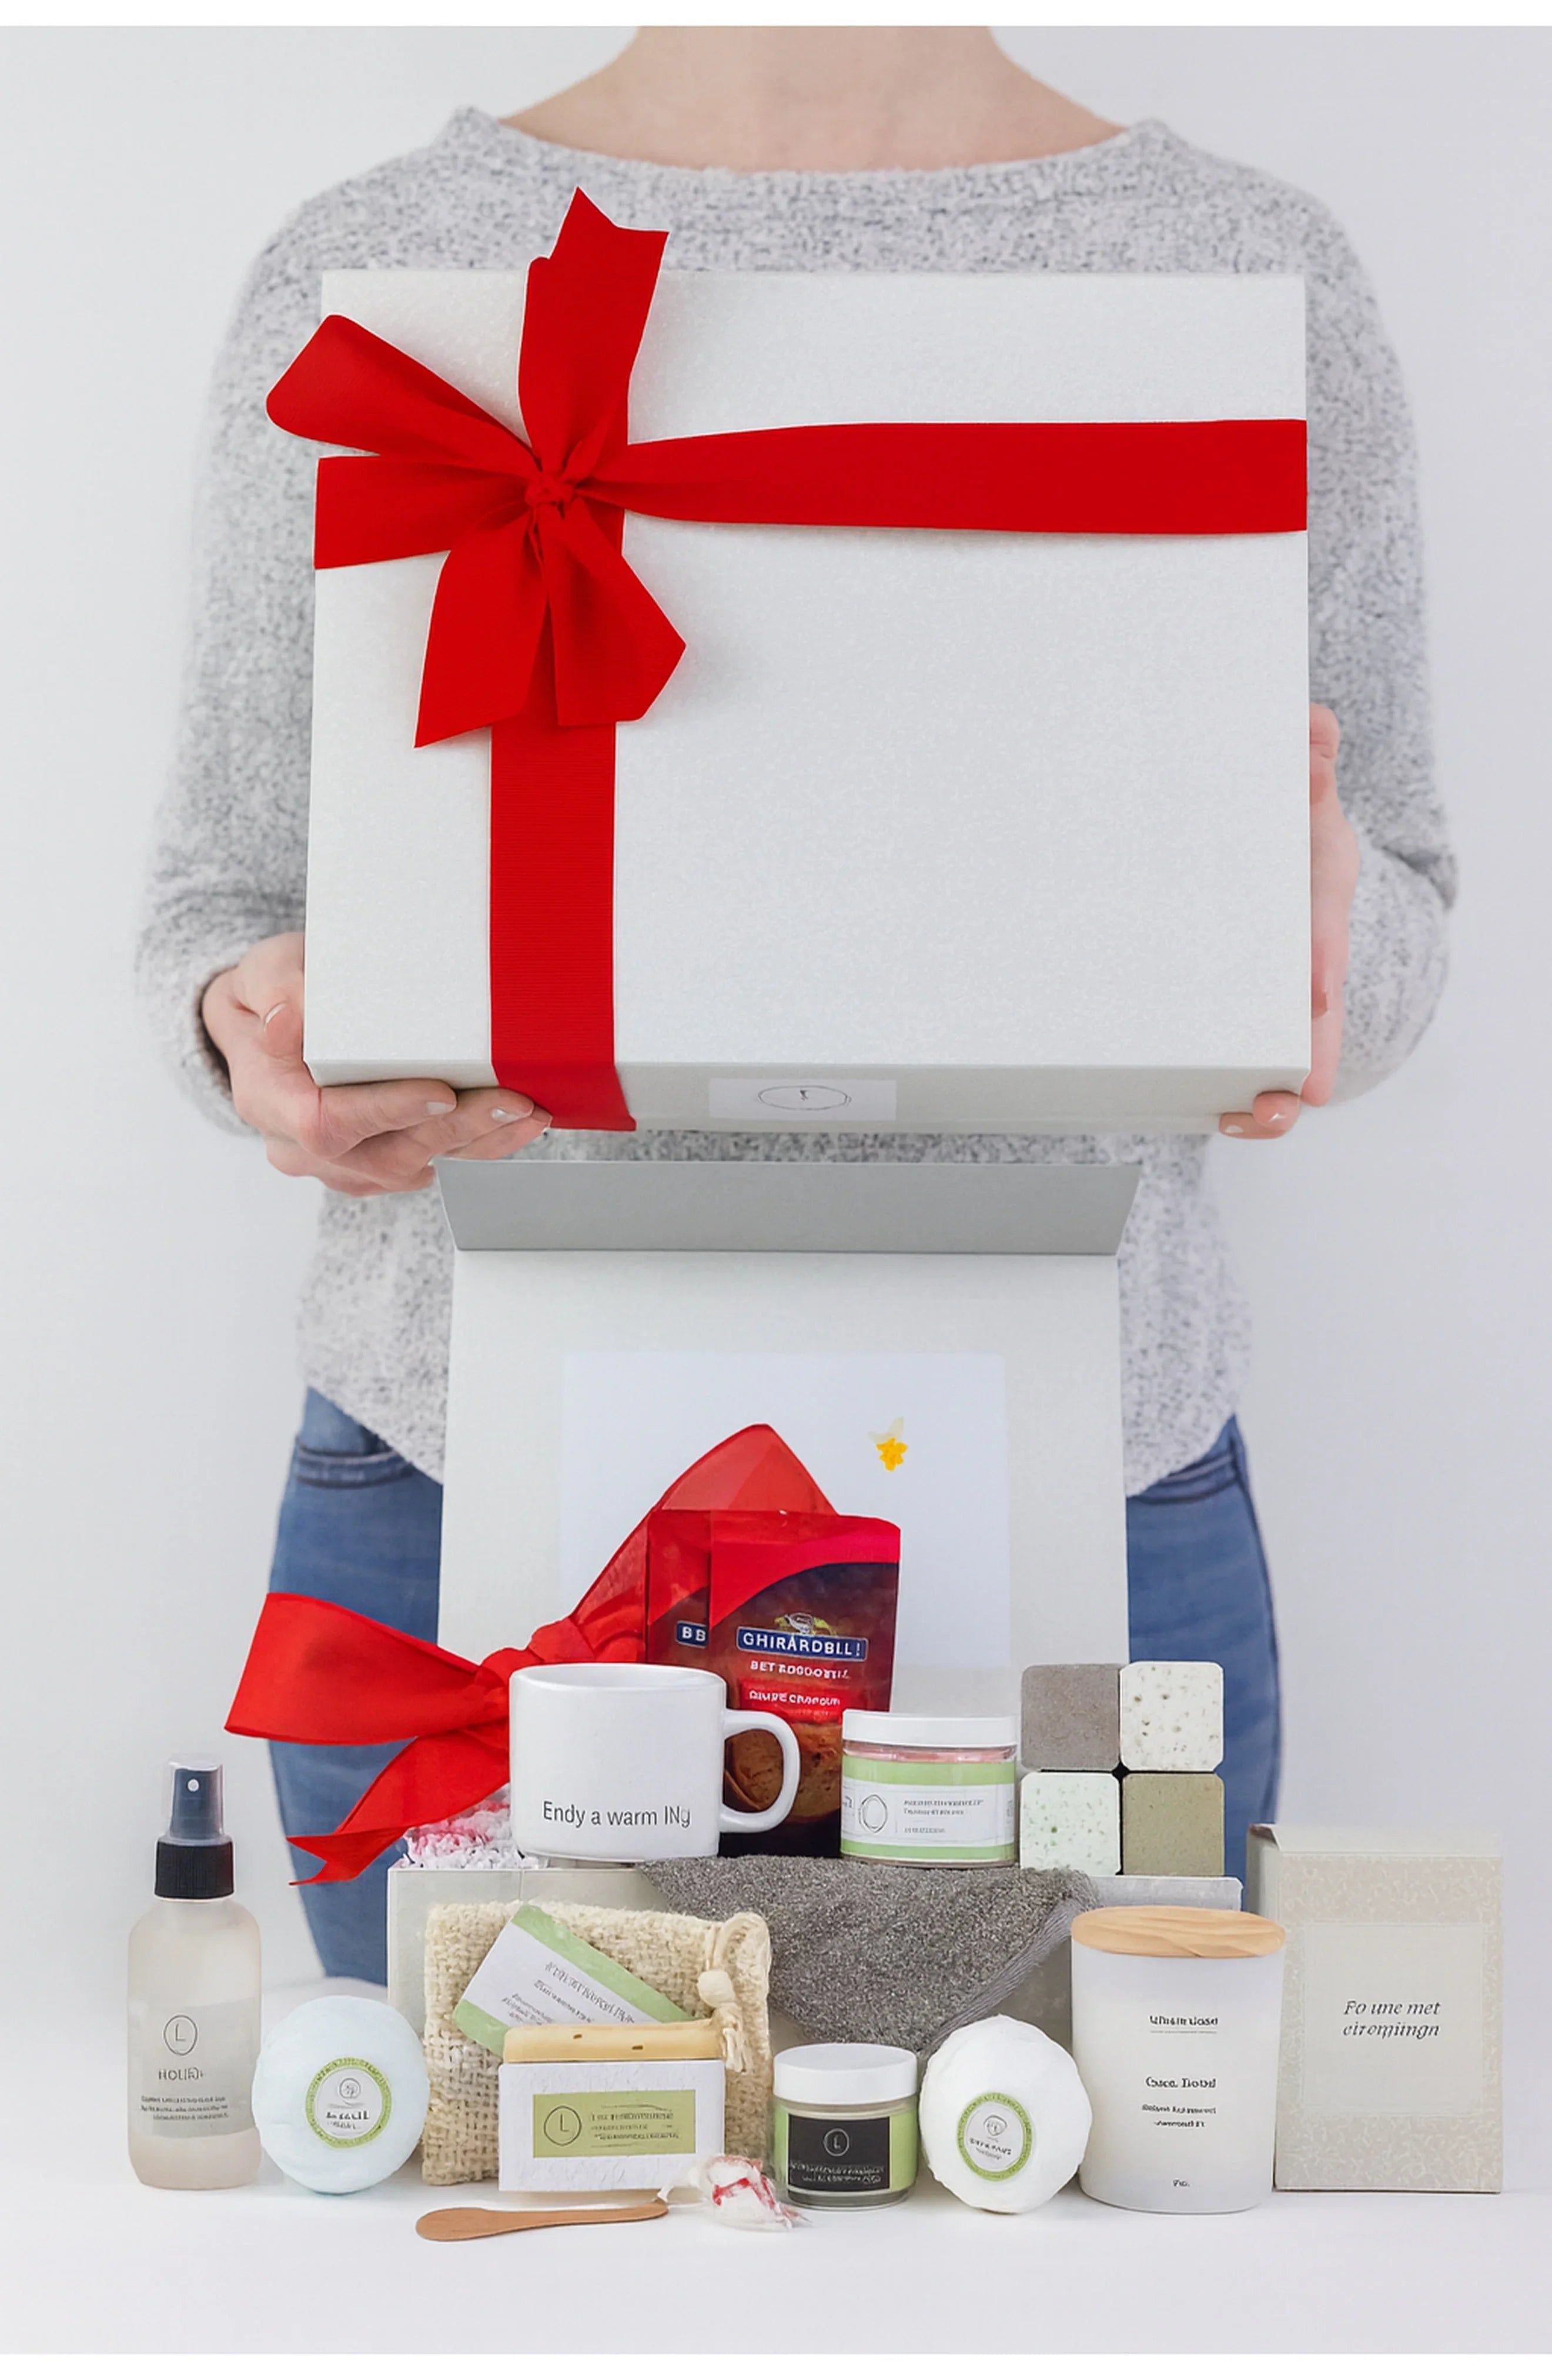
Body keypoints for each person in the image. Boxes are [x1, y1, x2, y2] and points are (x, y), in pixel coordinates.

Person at [138, 28, 1453, 1983]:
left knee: (1088, 2232)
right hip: (463, 1457)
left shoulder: (1238, 264)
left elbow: (1405, 922)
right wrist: (246, 1024)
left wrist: (1341, 942)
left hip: (1085, 1477)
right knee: (480, 2230)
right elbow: (217, 908)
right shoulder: (401, 253)